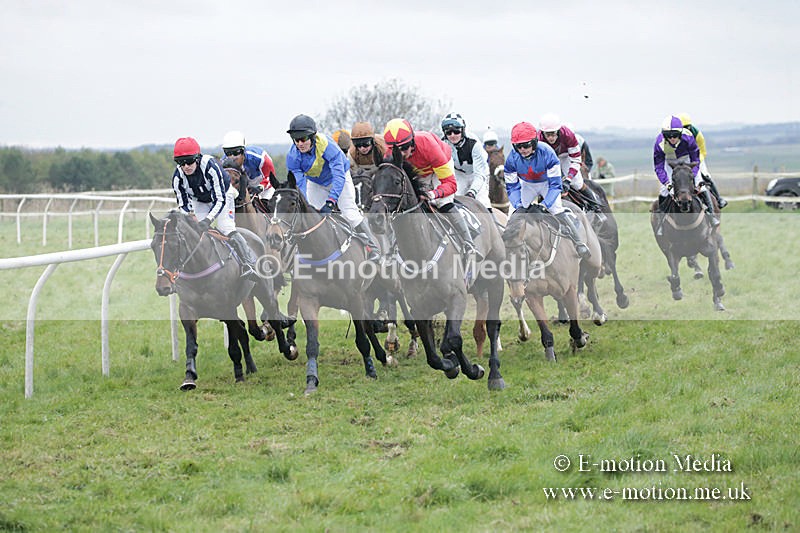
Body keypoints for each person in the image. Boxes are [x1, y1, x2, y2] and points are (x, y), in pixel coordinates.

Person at [285, 114, 380, 262]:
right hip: (316, 183)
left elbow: (338, 177)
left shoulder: (327, 146)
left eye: (303, 139)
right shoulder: (292, 157)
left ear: (312, 137)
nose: (299, 144)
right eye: (296, 140)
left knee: (349, 214)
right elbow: (301, 185)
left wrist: (331, 201)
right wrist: (305, 205)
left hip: (340, 177)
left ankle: (373, 247)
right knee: (312, 217)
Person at [383, 117, 481, 261]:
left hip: (438, 167)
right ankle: (392, 248)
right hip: (419, 173)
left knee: (442, 202)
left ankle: (468, 243)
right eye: (396, 150)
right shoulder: (390, 156)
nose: (402, 154)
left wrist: (432, 194)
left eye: (404, 148)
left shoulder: (428, 145)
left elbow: (451, 185)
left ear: (412, 142)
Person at [171, 137, 260, 279]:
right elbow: (183, 204)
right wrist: (190, 216)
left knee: (226, 228)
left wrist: (207, 220)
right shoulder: (177, 177)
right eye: (181, 163)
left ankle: (249, 263)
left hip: (223, 195)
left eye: (189, 161)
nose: (186, 166)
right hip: (199, 200)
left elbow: (220, 200)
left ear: (197, 158)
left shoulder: (210, 167)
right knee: (194, 232)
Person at [503, 122, 590, 258]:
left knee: (557, 210)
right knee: (513, 215)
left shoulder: (548, 153)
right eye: (518, 146)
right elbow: (512, 186)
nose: (523, 149)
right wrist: (518, 205)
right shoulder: (511, 159)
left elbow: (556, 185)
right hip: (527, 185)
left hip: (547, 184)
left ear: (534, 142)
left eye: (526, 145)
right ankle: (507, 248)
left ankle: (579, 243)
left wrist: (544, 206)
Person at [653, 115, 718, 232]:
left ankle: (711, 215)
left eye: (675, 135)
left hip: (687, 159)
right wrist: (666, 183)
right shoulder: (659, 143)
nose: (672, 138)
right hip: (670, 161)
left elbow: (695, 159)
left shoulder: (688, 137)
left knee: (701, 185)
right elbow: (659, 167)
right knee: (664, 191)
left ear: (681, 133)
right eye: (668, 135)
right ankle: (662, 222)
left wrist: (692, 175)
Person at [538, 113, 605, 214]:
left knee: (577, 183)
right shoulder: (538, 139)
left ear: (558, 131)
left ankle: (594, 204)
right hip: (548, 158)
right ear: (542, 133)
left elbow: (576, 160)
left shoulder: (568, 135)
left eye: (553, 134)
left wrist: (568, 180)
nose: (551, 138)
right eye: (548, 134)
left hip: (565, 156)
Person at [440, 112, 491, 209]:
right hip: (459, 174)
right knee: (454, 199)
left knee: (482, 201)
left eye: (456, 131)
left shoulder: (474, 144)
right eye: (448, 132)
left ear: (463, 130)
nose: (453, 135)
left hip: (477, 174)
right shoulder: (443, 144)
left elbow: (480, 174)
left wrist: (472, 192)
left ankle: (493, 222)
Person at [677, 112, 727, 208]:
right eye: (684, 128)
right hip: (683, 159)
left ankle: (718, 199)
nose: (687, 131)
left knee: (705, 175)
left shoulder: (697, 134)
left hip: (698, 157)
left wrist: (696, 163)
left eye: (688, 127)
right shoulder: (675, 136)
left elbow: (702, 151)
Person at [221, 130, 276, 200]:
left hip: (264, 188)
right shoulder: (224, 162)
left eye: (236, 152)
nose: (232, 157)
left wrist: (260, 187)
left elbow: (271, 177)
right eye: (228, 153)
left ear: (243, 150)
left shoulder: (260, 157)